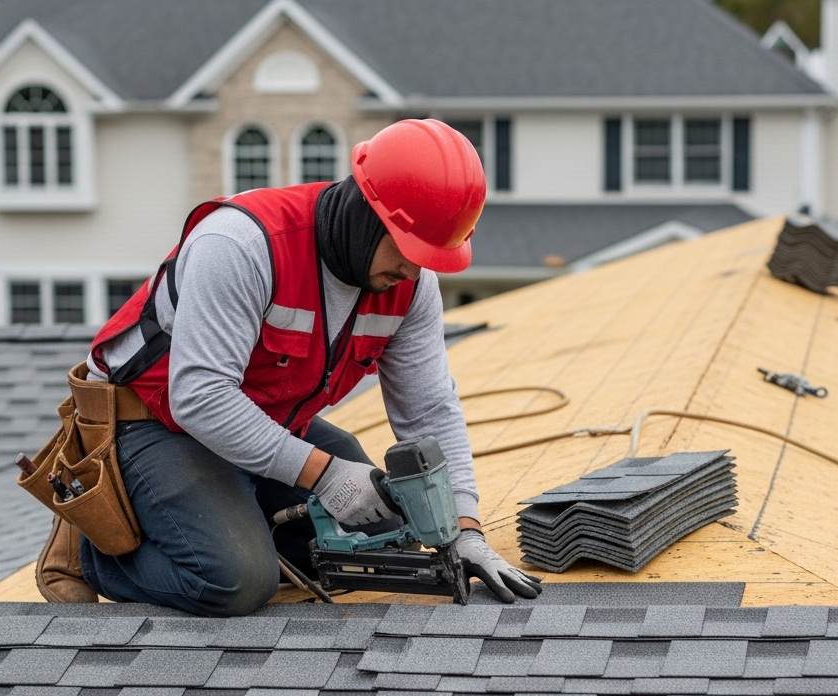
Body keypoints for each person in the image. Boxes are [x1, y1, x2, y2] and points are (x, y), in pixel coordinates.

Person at [37, 119, 542, 615]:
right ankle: (92, 554)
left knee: (382, 537)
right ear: (367, 213)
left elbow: (430, 407)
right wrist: (324, 474)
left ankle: (236, 517)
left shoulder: (409, 284)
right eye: (409, 250)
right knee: (236, 580)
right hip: (152, 421)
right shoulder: (241, 245)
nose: (414, 269)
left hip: (265, 422)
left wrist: (464, 526)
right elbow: (199, 396)